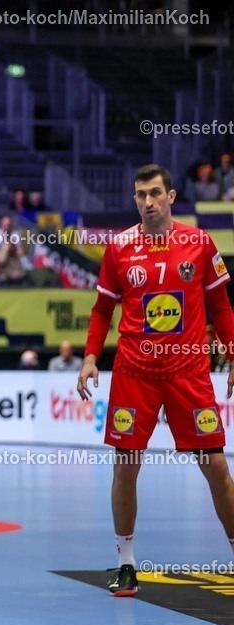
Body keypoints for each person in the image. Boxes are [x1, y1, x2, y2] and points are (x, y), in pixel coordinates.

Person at [78, 164, 234, 597]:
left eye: (154, 193)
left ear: (171, 196)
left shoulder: (199, 244)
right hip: (135, 373)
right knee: (126, 467)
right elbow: (101, 310)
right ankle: (126, 564)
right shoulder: (119, 248)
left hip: (188, 372)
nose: (147, 201)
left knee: (216, 465)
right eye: (140, 195)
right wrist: (91, 358)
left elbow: (221, 308)